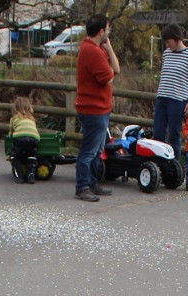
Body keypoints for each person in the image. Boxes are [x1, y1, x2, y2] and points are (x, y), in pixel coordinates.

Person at [73, 14, 120, 202]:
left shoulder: (97, 49)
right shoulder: (91, 51)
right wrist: (110, 70)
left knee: (97, 148)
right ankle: (82, 186)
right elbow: (108, 77)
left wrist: (108, 46)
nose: (108, 32)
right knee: (89, 150)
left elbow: (116, 69)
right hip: (93, 108)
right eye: (107, 29)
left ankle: (92, 182)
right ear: (101, 31)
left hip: (100, 107)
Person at [152, 23, 188, 158]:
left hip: (178, 99)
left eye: (169, 41)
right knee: (158, 132)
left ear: (177, 38)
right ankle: (158, 163)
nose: (167, 45)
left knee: (174, 134)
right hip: (162, 97)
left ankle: (174, 166)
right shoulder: (167, 54)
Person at [9, 96, 40, 184]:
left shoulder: (14, 118)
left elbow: (11, 133)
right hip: (34, 139)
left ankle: (19, 176)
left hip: (20, 138)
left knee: (16, 157)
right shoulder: (32, 118)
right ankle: (31, 174)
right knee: (31, 155)